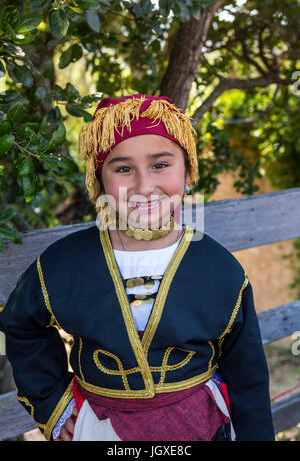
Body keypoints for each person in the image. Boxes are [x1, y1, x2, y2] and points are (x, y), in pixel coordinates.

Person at [0, 94, 275, 441]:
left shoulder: (221, 270)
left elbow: (246, 373)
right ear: (100, 180)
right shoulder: (62, 264)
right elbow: (22, 325)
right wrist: (53, 404)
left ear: (188, 171)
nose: (144, 186)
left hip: (201, 426)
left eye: (160, 165)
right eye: (123, 168)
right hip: (98, 429)